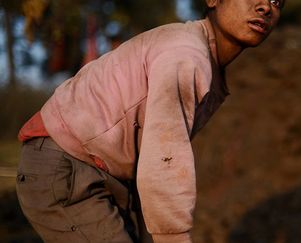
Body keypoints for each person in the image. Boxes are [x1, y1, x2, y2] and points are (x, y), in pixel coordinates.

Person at [16, 0, 284, 242]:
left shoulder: (205, 61)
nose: (266, 7)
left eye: (277, 1)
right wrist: (173, 236)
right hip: (66, 165)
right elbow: (165, 154)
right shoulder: (186, 55)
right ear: (213, 0)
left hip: (106, 171)